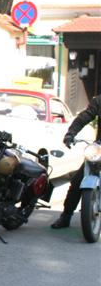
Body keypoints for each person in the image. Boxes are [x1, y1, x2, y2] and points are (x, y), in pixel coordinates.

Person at [51, 94, 101, 229]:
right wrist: (70, 133)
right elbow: (83, 118)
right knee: (78, 180)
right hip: (99, 149)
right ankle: (65, 216)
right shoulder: (99, 101)